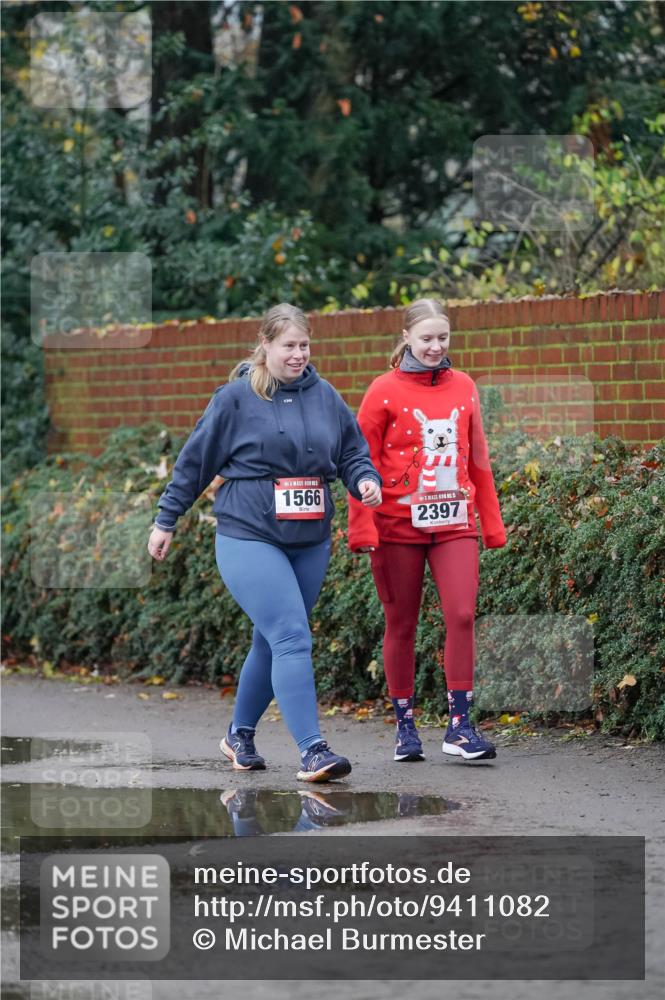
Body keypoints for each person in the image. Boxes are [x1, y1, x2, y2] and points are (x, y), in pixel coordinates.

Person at [148, 303, 381, 783]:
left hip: (310, 539)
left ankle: (239, 734)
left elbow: (352, 451)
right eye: (289, 346)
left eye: (304, 345)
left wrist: (364, 480)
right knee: (293, 635)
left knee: (274, 640)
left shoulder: (326, 396)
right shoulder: (234, 399)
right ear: (266, 345)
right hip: (248, 534)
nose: (298, 355)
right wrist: (166, 519)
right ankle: (313, 750)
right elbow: (194, 463)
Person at [348, 298, 506, 763]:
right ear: (406, 339)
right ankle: (405, 726)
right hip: (397, 528)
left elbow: (478, 458)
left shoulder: (465, 387)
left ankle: (460, 727)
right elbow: (361, 462)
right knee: (402, 625)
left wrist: (491, 525)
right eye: (426, 339)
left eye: (443, 338)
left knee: (461, 614)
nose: (436, 347)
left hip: (455, 523)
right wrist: (362, 528)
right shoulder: (382, 390)